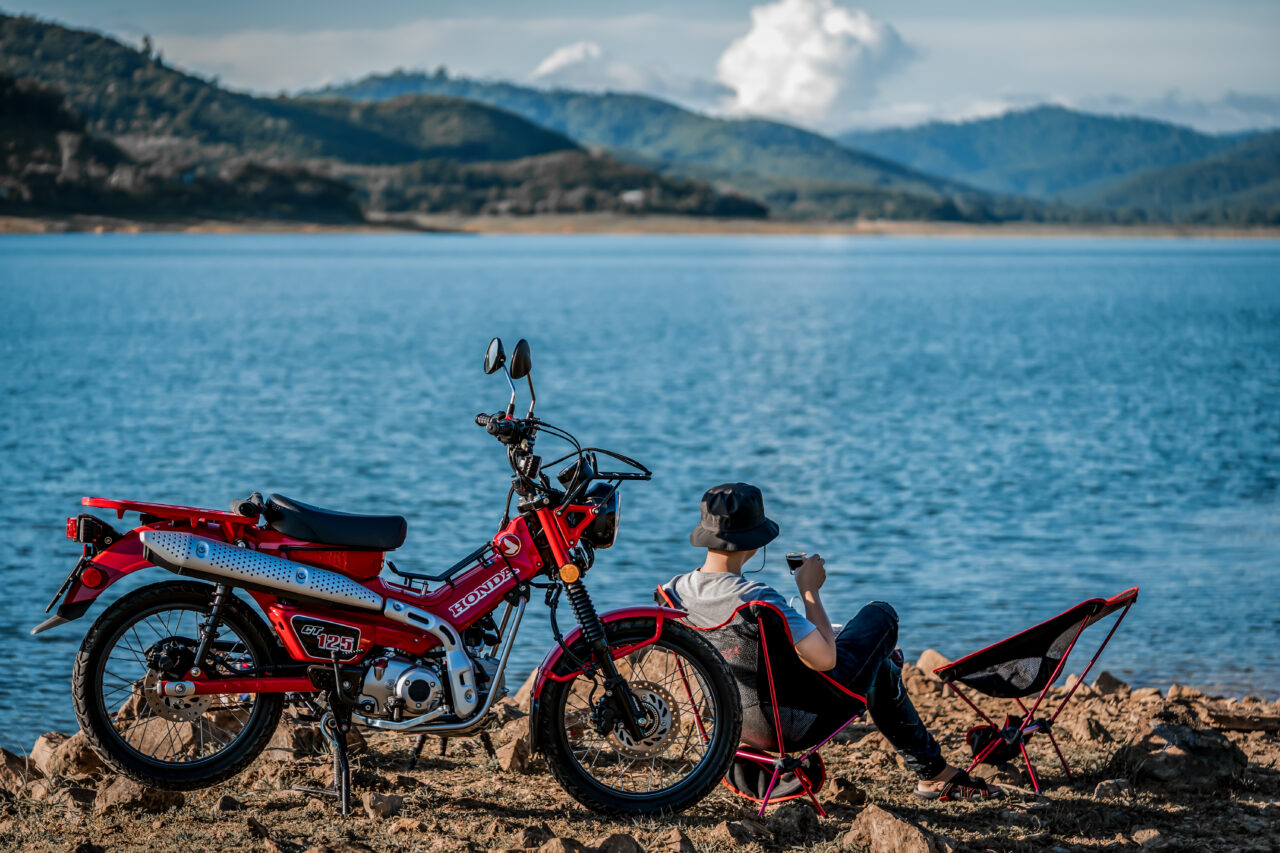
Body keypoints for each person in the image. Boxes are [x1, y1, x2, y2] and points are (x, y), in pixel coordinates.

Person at [661, 482, 1002, 801]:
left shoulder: (675, 591)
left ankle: (933, 771)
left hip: (731, 723)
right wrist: (809, 589)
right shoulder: (756, 599)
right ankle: (933, 773)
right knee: (880, 615)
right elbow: (825, 659)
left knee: (881, 669)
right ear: (754, 542)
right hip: (793, 724)